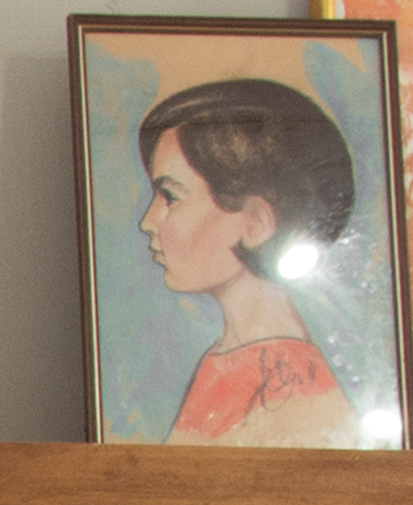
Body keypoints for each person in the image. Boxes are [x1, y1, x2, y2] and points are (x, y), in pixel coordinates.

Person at [131, 76, 398, 449]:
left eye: (170, 196)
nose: (147, 221)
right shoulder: (228, 358)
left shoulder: (291, 388)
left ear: (256, 222)